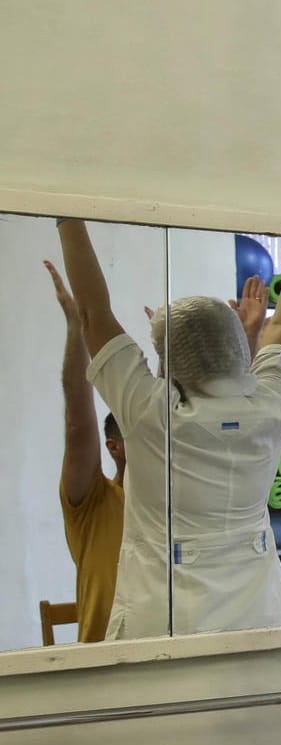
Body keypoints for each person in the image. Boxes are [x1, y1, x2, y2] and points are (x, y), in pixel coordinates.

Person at [57, 220, 281, 639]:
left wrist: (66, 216)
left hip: (164, 622)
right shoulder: (271, 406)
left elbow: (92, 313)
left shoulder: (150, 412)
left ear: (169, 361)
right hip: (261, 618)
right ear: (236, 343)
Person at [46, 260, 126, 643]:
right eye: (135, 434)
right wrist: (77, 330)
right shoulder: (96, 501)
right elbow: (78, 425)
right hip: (103, 667)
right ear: (114, 447)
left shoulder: (168, 505)